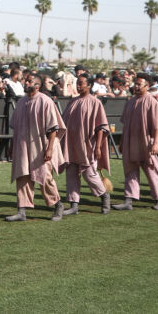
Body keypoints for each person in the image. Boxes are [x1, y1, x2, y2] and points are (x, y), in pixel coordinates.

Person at [5, 75, 66, 221]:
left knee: (45, 178)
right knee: (23, 176)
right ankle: (22, 211)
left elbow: (53, 128)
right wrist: (12, 146)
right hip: (23, 147)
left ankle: (57, 205)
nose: (26, 83)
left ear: (37, 85)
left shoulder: (45, 101)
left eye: (29, 81)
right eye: (25, 80)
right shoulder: (21, 102)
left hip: (41, 146)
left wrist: (50, 149)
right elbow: (16, 127)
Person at [113, 75, 158, 211]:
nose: (136, 87)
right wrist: (122, 142)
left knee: (151, 170)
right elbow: (125, 124)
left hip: (147, 142)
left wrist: (155, 143)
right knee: (130, 170)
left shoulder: (152, 102)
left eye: (139, 85)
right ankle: (128, 200)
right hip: (131, 142)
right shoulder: (130, 102)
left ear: (147, 86)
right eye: (135, 84)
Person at [60, 73, 112, 215]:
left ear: (89, 85)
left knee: (89, 174)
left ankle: (104, 196)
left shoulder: (95, 102)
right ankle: (74, 205)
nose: (78, 85)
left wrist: (99, 147)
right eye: (78, 83)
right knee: (71, 173)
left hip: (87, 145)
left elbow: (101, 126)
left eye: (81, 83)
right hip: (71, 145)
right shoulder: (72, 102)